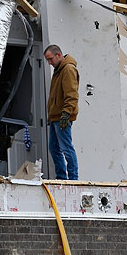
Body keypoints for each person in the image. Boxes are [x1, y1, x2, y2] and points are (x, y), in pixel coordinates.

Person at [44, 44, 79, 180]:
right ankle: (62, 178)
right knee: (54, 148)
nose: (49, 63)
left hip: (62, 116)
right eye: (48, 60)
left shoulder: (68, 69)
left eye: (50, 59)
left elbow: (72, 95)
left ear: (58, 55)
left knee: (66, 148)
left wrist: (66, 114)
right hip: (55, 117)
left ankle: (73, 179)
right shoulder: (58, 70)